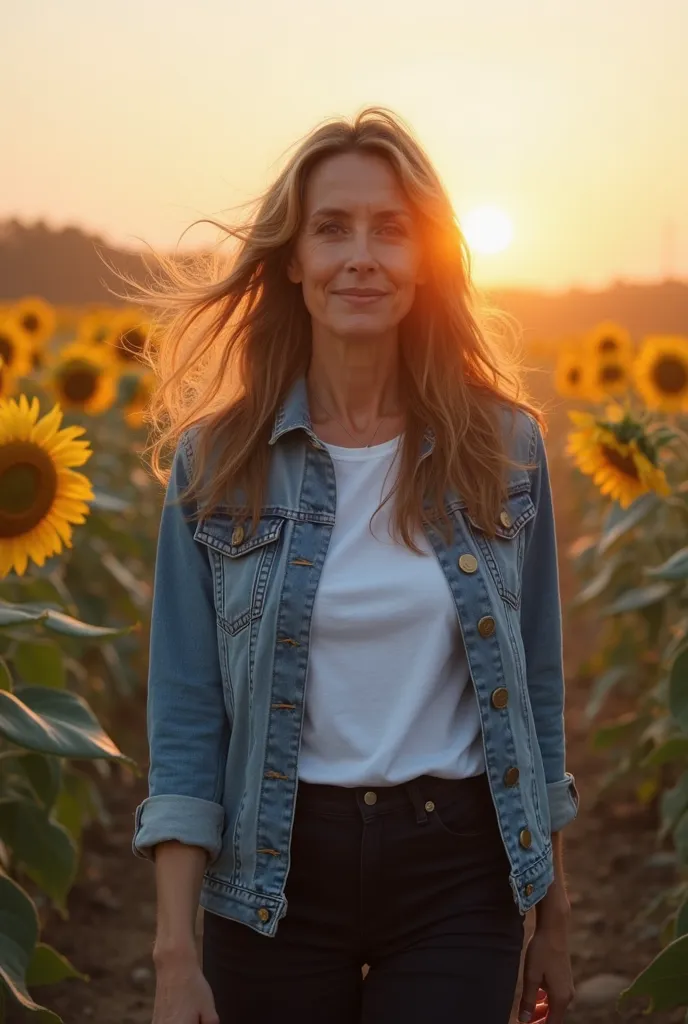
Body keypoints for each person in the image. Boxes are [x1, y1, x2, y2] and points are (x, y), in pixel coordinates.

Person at [130, 106, 579, 1024]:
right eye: (332, 229)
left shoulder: (505, 449)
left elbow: (535, 699)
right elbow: (186, 712)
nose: (360, 256)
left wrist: (556, 911)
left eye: (391, 230)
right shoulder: (218, 463)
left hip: (458, 870)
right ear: (292, 259)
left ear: (428, 260)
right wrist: (175, 955)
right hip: (273, 874)